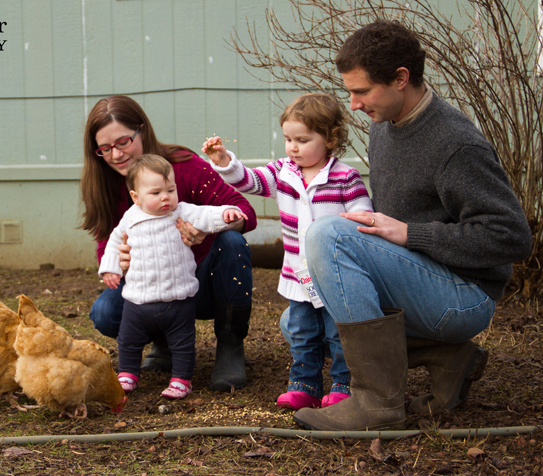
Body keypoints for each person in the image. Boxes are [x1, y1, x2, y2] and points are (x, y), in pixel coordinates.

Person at [292, 20, 532, 431]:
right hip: (422, 278)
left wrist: (410, 233)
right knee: (299, 321)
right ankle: (448, 357)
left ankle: (376, 403)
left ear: (401, 78)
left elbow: (512, 237)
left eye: (362, 91)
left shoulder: (455, 143)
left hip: (464, 296)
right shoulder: (384, 127)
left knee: (327, 236)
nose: (352, 104)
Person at [202, 93, 373, 410]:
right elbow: (250, 181)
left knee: (338, 334)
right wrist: (225, 162)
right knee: (302, 331)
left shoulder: (345, 178)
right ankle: (304, 384)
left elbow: (362, 224)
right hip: (300, 275)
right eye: (288, 139)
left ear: (330, 138)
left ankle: (344, 386)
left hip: (336, 277)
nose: (293, 147)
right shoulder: (284, 172)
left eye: (303, 140)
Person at [80, 95, 258, 392]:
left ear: (142, 130)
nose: (116, 154)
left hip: (200, 282)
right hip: (148, 288)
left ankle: (229, 345)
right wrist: (118, 263)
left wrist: (210, 230)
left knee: (232, 241)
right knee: (106, 312)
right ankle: (162, 344)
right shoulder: (105, 184)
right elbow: (106, 245)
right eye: (105, 148)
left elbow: (244, 211)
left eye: (123, 141)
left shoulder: (182, 167)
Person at [100, 154, 248, 399]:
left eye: (170, 189)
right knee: (129, 339)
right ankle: (127, 372)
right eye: (156, 192)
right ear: (136, 197)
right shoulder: (131, 217)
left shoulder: (181, 211)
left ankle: (182, 379)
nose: (166, 197)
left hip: (178, 298)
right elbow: (114, 241)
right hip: (138, 299)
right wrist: (110, 268)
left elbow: (206, 214)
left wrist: (226, 214)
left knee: (182, 342)